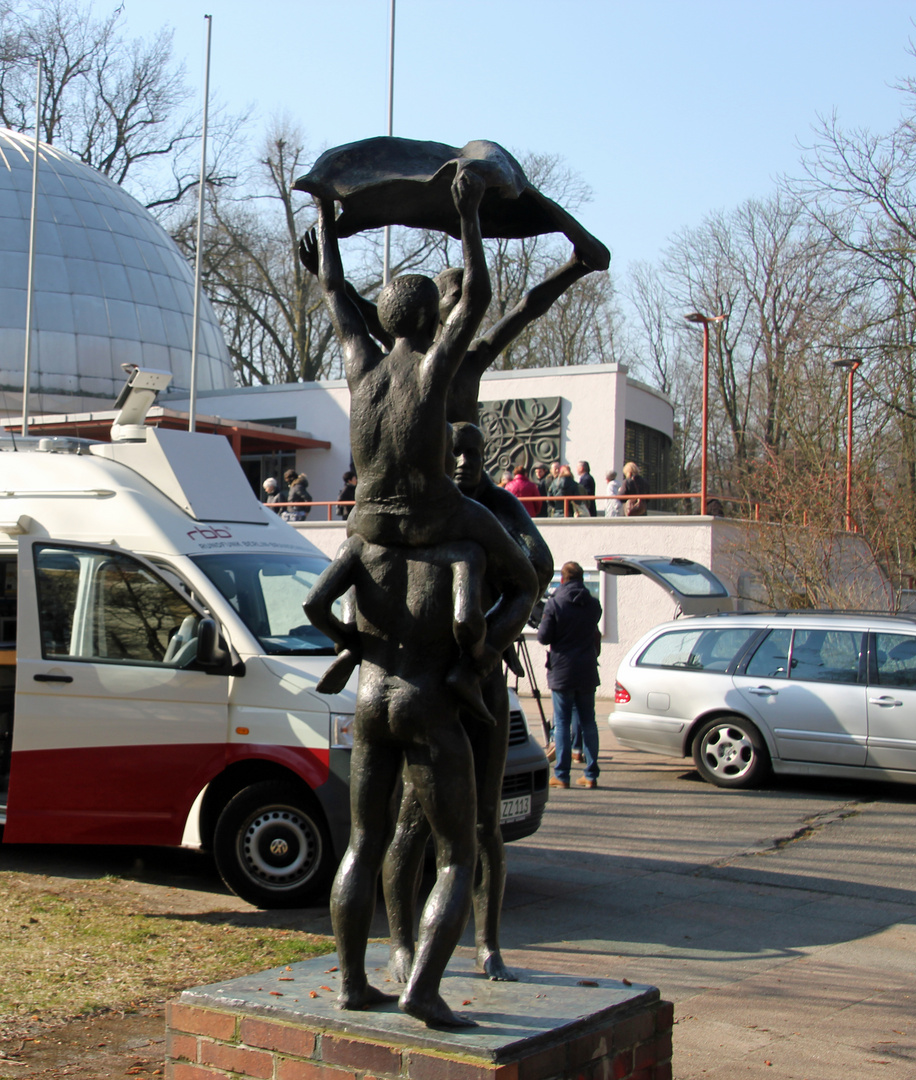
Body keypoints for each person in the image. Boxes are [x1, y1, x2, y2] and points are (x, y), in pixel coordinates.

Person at [302, 167, 537, 1026]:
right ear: (428, 322)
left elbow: (333, 288)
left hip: (372, 539)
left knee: (363, 840)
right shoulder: (436, 370)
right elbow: (475, 294)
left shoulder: (359, 365)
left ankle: (353, 981)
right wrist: (469, 213)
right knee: (457, 854)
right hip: (431, 517)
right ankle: (425, 989)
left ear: (379, 320)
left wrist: (325, 219)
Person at [384, 422, 554, 987]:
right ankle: (402, 944)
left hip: (479, 683)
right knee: (411, 822)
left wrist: (494, 640)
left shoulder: (499, 506)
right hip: (429, 686)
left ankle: (487, 944)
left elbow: (538, 566)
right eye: (453, 453)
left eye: (473, 454)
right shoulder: (420, 507)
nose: (463, 463)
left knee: (485, 826)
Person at [538, 561, 603, 788]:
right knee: (589, 722)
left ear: (563, 579)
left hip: (563, 671)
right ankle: (591, 774)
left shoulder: (555, 604)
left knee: (563, 723)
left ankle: (562, 775)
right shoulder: (594, 605)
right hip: (586, 669)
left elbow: (544, 637)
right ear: (582, 579)